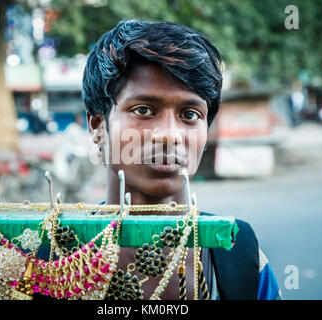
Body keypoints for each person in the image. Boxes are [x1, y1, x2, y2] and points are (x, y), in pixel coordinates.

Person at [82, 19, 281, 300]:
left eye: (190, 114)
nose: (169, 136)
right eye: (143, 110)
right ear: (97, 125)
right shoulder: (40, 258)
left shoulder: (238, 255)